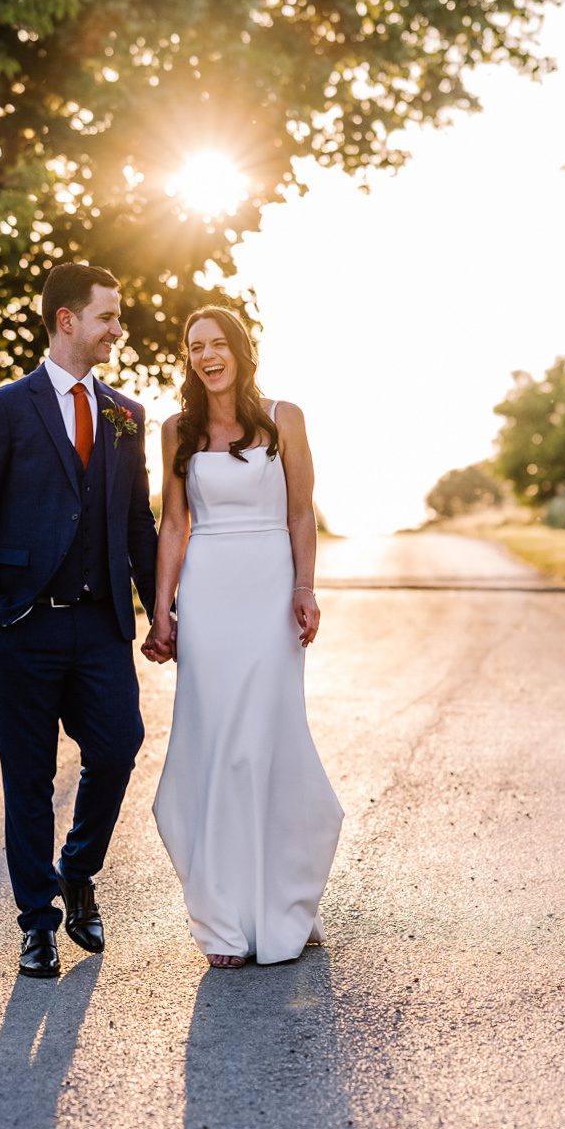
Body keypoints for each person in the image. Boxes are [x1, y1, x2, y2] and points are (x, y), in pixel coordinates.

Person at [0, 262, 162, 977]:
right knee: (28, 779)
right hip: (21, 627)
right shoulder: (4, 406)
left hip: (100, 625)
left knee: (117, 747)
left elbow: (138, 522)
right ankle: (36, 923)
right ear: (67, 320)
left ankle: (78, 868)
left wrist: (161, 609)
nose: (118, 329)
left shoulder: (127, 414)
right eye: (108, 316)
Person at [145, 306, 344, 968]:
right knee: (217, 744)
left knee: (266, 742)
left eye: (217, 342)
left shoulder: (284, 418)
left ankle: (286, 900)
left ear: (240, 349)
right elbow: (174, 526)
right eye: (193, 345)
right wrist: (162, 609)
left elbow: (300, 514)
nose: (206, 355)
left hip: (269, 592)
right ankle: (225, 916)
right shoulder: (176, 430)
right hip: (209, 595)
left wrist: (304, 588)